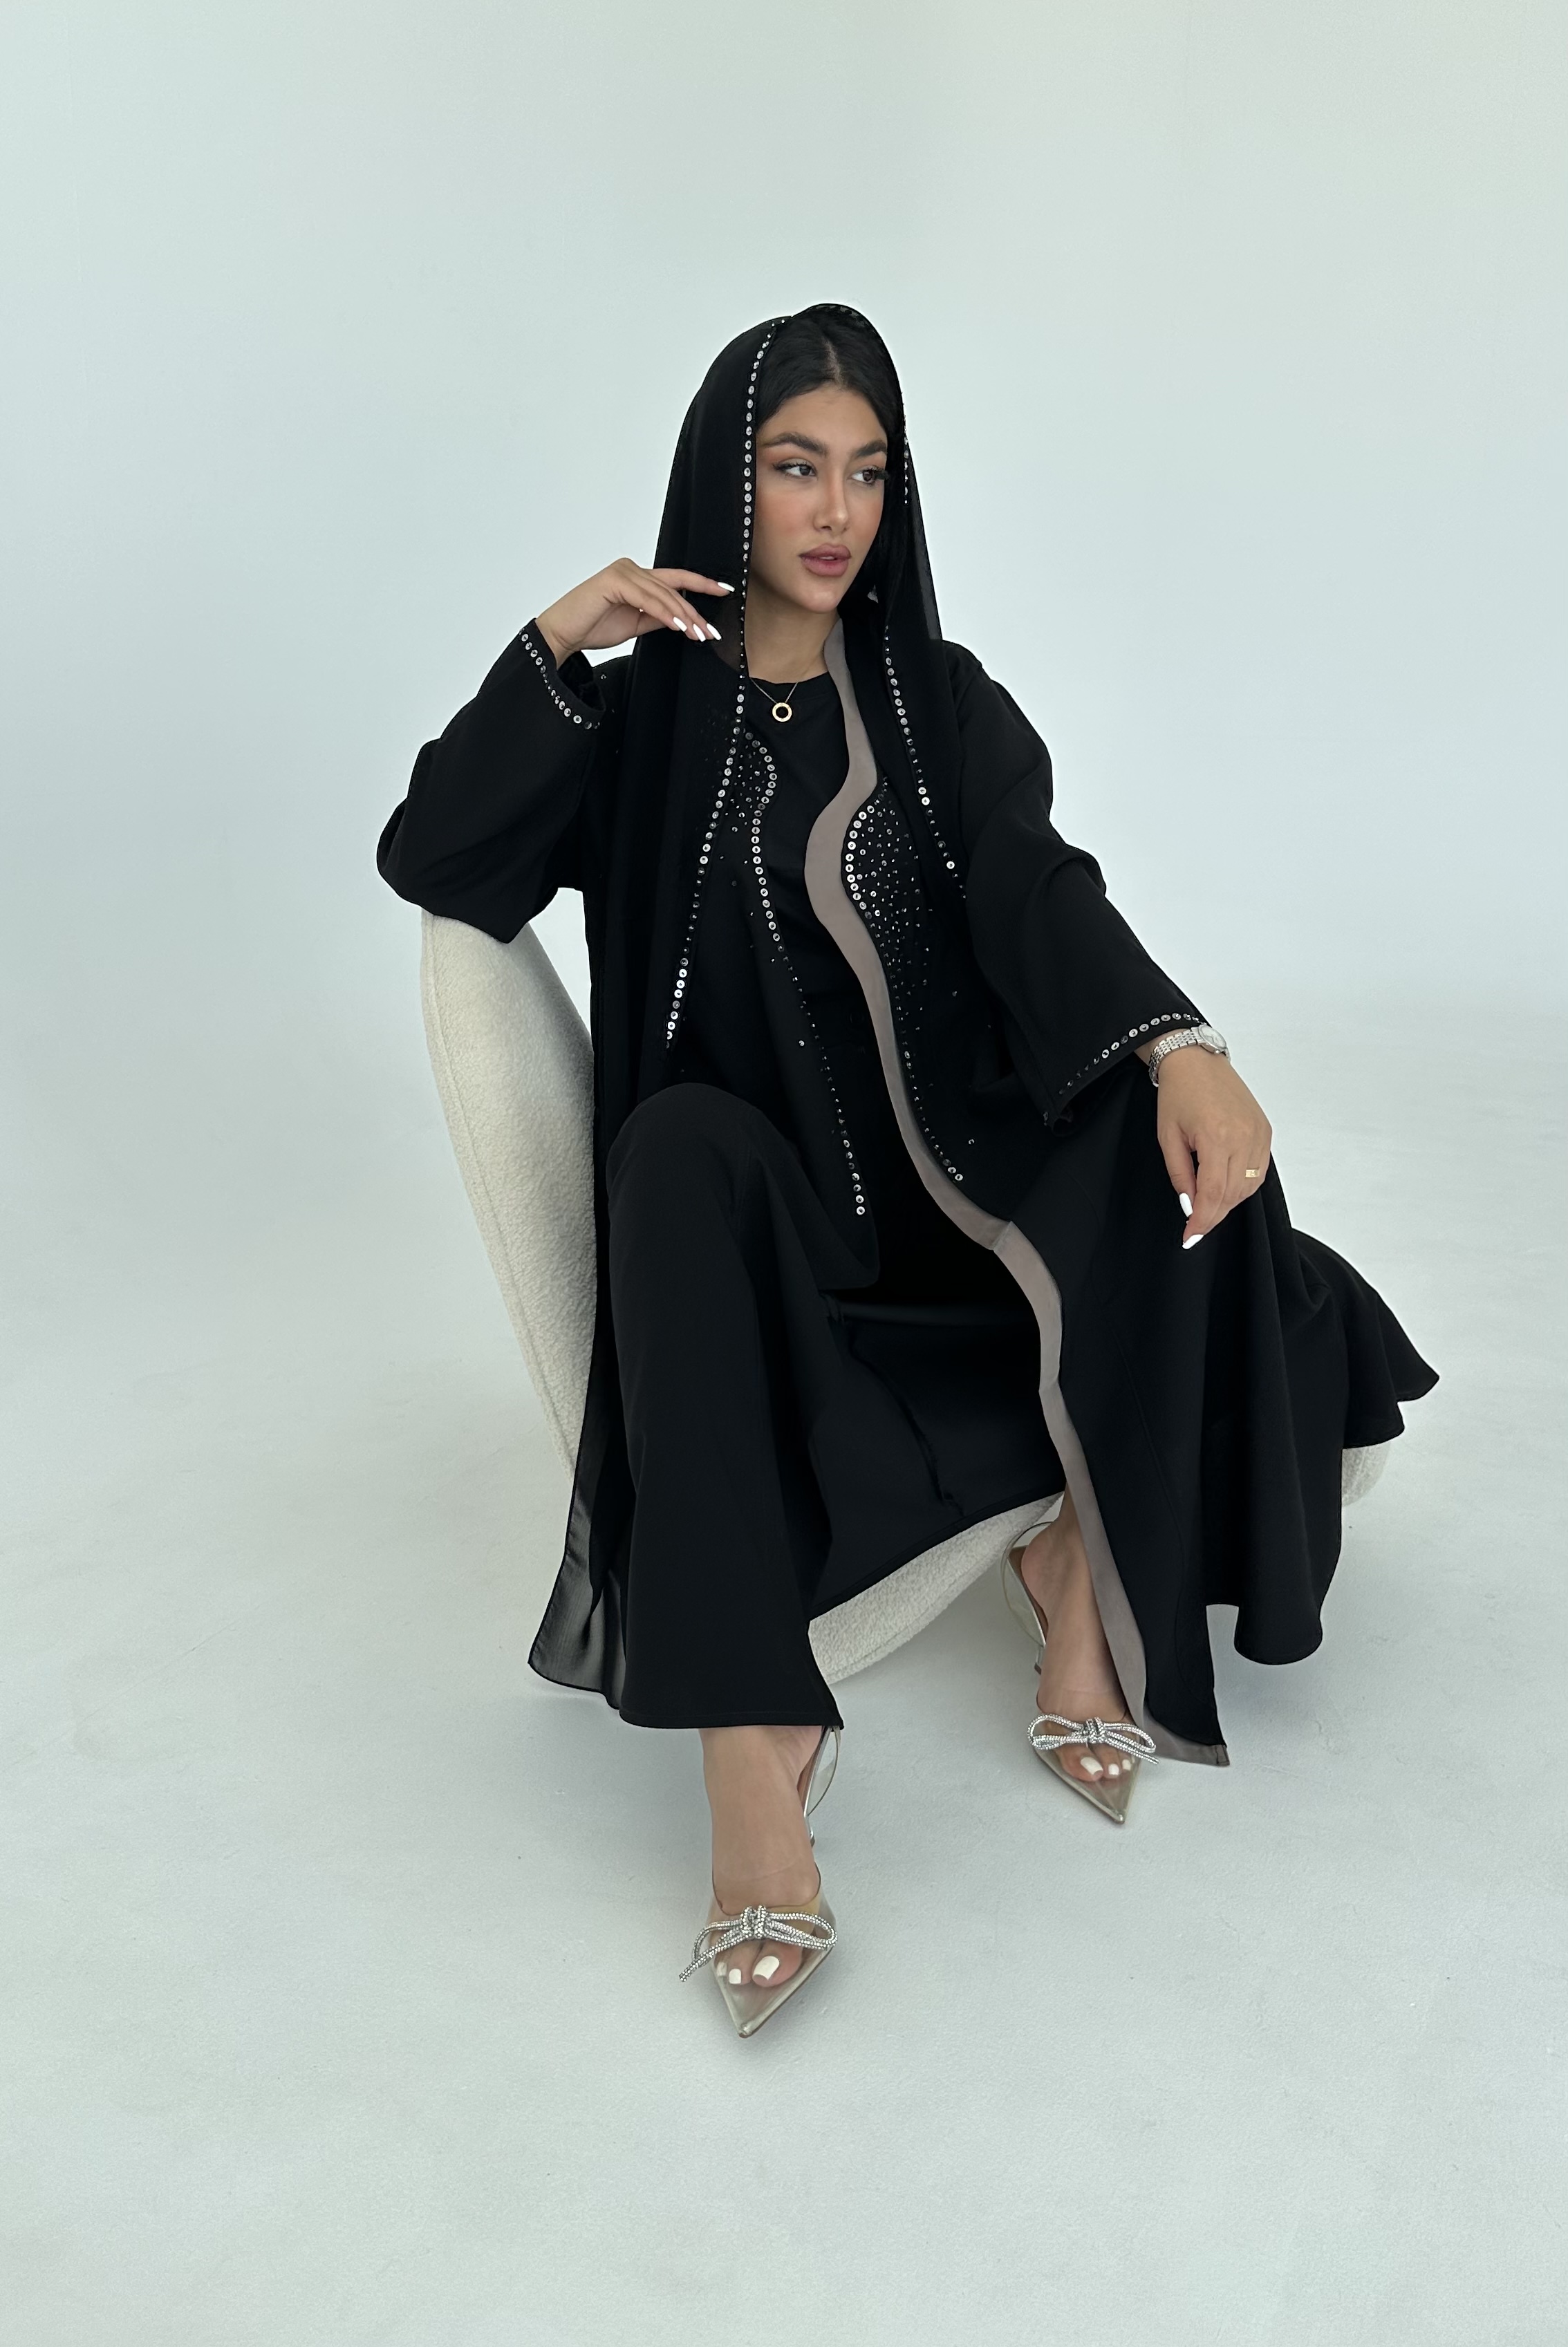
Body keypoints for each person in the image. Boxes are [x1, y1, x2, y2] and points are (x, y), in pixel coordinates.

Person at [377, 306, 1436, 2036]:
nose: (836, 510)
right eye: (797, 466)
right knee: (671, 1146)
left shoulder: (942, 704)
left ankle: (1079, 1574)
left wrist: (1180, 1043)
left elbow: (1042, 896)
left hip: (974, 1236)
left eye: (868, 472)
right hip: (788, 1267)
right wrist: (557, 640)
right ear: (728, 481)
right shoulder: (638, 727)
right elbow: (437, 859)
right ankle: (751, 1743)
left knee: (1151, 1116)